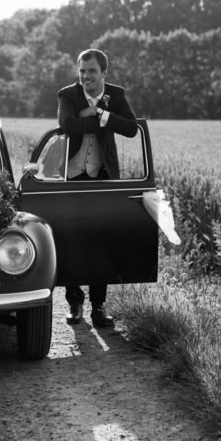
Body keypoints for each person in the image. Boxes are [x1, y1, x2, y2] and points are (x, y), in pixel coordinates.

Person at [57, 48, 138, 329]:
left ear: (104, 73)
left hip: (103, 176)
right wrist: (94, 118)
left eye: (91, 71)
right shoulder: (68, 95)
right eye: (82, 71)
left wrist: (100, 114)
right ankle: (74, 301)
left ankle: (99, 307)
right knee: (71, 239)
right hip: (73, 174)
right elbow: (67, 125)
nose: (86, 76)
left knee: (101, 242)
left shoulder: (115, 96)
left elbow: (131, 128)